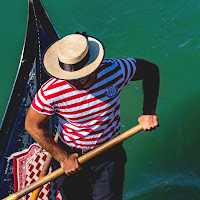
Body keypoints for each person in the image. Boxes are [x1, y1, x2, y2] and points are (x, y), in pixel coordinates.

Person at [25, 32, 159, 200]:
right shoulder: (51, 91)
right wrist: (63, 157)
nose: (73, 84)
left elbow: (151, 70)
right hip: (71, 152)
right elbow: (32, 125)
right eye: (68, 78)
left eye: (78, 77)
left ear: (92, 67)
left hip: (109, 150)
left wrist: (149, 111)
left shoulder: (115, 70)